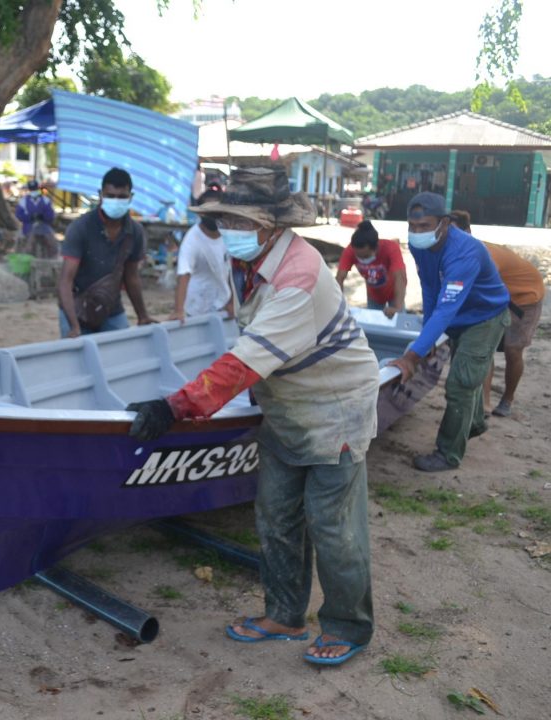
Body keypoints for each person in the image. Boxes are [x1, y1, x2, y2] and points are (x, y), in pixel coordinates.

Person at [127, 167, 380, 666]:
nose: (229, 229)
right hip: (286, 403)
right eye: (224, 219)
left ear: (270, 226)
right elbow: (247, 343)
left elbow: (242, 363)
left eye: (239, 221)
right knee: (277, 516)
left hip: (335, 406)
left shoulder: (298, 276)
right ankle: (285, 615)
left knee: (332, 526)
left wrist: (174, 406)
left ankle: (349, 627)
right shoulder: (247, 262)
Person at [388, 193, 510, 473]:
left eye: (424, 226)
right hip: (458, 317)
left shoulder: (466, 251)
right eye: (412, 226)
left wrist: (412, 356)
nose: (417, 233)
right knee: (467, 378)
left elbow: (446, 307)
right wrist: (426, 337)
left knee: (460, 383)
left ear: (444, 223)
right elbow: (430, 289)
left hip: (484, 317)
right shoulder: (420, 246)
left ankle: (448, 454)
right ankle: (474, 423)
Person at [449, 210, 546, 418]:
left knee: (513, 349)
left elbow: (474, 290)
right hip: (496, 297)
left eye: (455, 233)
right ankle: (484, 403)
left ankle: (507, 399)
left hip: (524, 298)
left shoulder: (485, 254)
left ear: (468, 232)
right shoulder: (452, 254)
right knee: (484, 346)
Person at [57, 167, 157, 337]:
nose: (115, 201)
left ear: (130, 197)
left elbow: (131, 277)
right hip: (76, 309)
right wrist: (74, 327)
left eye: (122, 197)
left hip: (111, 309)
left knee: (120, 356)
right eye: (110, 196)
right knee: (77, 360)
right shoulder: (81, 228)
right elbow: (66, 281)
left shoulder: (135, 232)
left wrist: (143, 316)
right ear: (101, 195)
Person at [169, 189, 233, 323]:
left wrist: (233, 302)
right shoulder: (192, 240)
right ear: (201, 213)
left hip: (223, 304)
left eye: (217, 211)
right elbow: (184, 275)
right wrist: (179, 310)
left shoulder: (230, 236)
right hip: (196, 308)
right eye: (209, 212)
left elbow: (234, 271)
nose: (213, 216)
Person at [335, 220, 407, 316]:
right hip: (374, 296)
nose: (361, 259)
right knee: (374, 324)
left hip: (395, 294)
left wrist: (397, 308)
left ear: (376, 248)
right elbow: (340, 277)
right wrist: (339, 306)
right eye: (358, 256)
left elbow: (400, 276)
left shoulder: (391, 248)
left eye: (365, 256)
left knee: (399, 322)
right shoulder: (350, 251)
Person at [14, 179, 57, 258]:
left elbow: (51, 214)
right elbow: (18, 214)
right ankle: (28, 256)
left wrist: (43, 216)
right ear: (29, 190)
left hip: (43, 225)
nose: (33, 191)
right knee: (30, 239)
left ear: (38, 188)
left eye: (35, 189)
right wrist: (29, 217)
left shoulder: (45, 200)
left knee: (52, 242)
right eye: (31, 189)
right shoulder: (23, 201)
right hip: (29, 225)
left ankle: (52, 258)